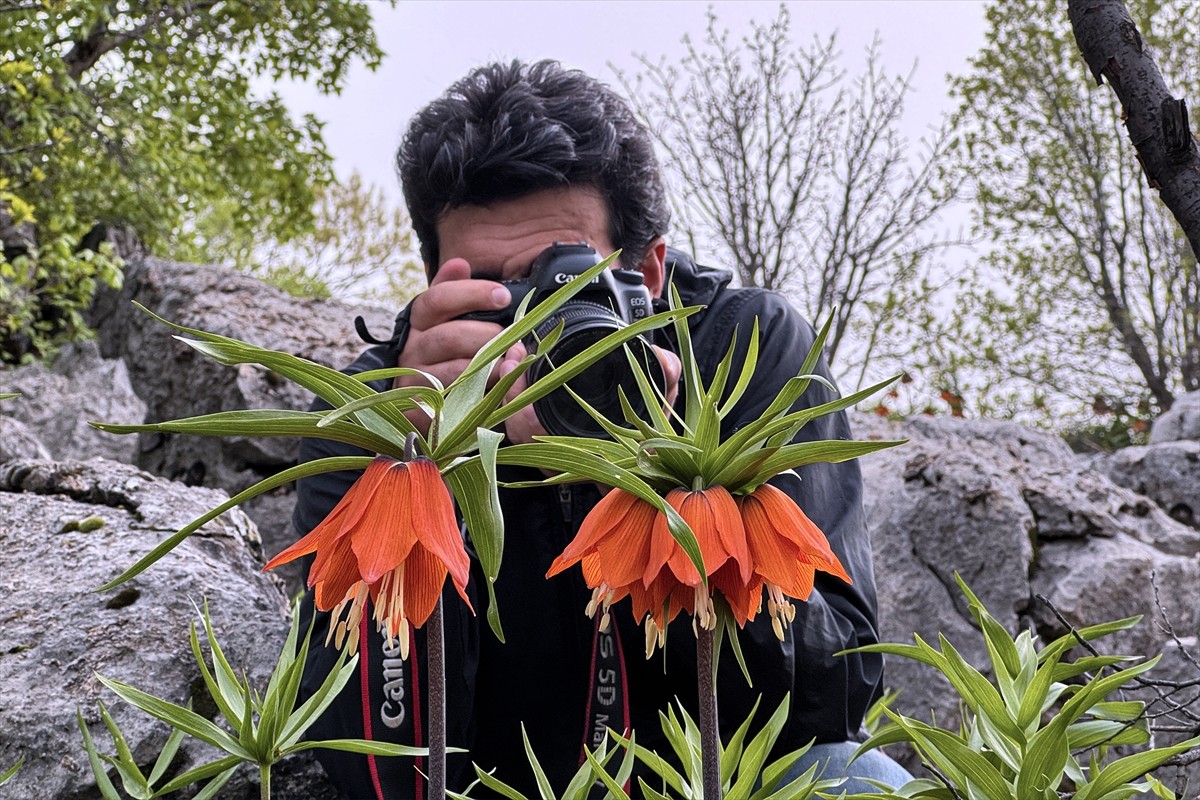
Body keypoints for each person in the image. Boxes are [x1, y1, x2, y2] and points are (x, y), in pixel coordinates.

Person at [292, 59, 910, 798]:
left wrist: (652, 482)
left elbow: (836, 696)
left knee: (856, 780)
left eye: (564, 284)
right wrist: (430, 467)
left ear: (647, 275)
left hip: (710, 786)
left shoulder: (742, 345)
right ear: (438, 286)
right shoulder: (383, 407)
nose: (525, 332)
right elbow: (372, 770)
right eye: (497, 290)